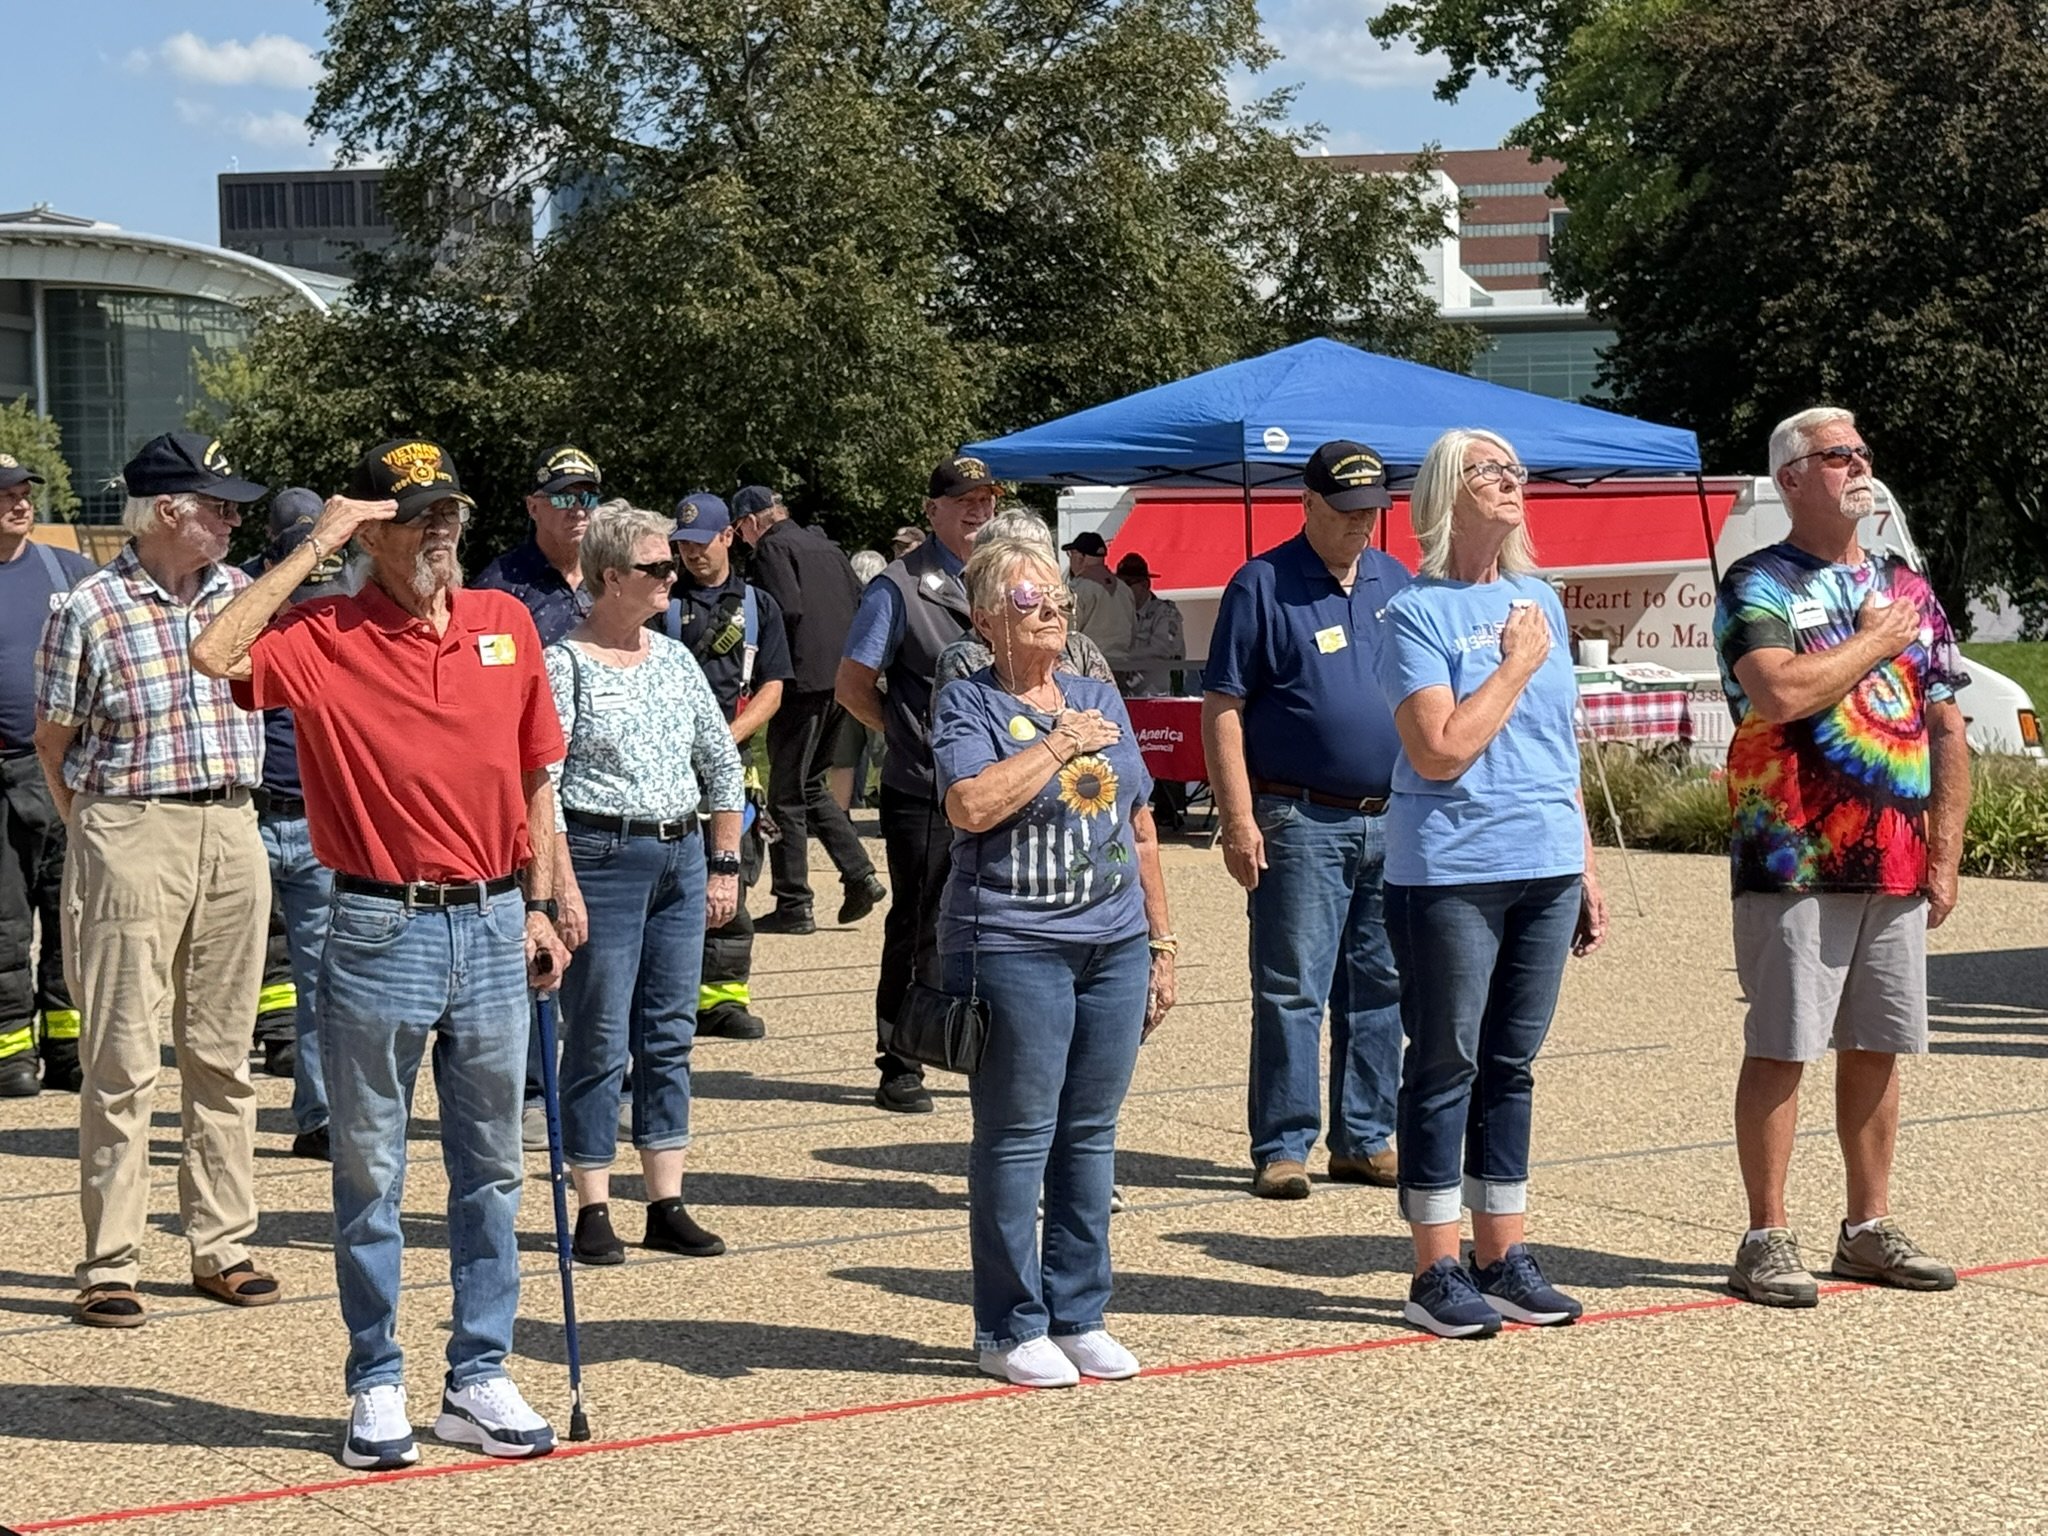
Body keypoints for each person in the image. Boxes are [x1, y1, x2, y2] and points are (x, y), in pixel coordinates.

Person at [192, 437, 573, 1469]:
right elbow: (216, 654)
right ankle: (376, 1380)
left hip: (493, 918)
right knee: (370, 1169)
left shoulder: (503, 625)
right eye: (415, 515)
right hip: (376, 923)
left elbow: (535, 775)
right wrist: (316, 543)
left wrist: (545, 903)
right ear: (372, 532)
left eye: (449, 511)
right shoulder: (324, 631)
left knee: (492, 1167)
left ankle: (478, 1373)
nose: (441, 528)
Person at [1715, 406, 1967, 1308]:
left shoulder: (1906, 584)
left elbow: (1945, 722)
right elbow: (1778, 692)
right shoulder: (1759, 581)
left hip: (1894, 856)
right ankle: (1765, 1236)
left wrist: (1945, 850)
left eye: (1861, 451)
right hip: (1793, 853)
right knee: (1784, 1045)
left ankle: (1867, 1227)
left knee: (1878, 1044)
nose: (1858, 465)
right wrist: (1876, 641)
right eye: (1836, 455)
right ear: (1791, 478)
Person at [34, 431, 276, 1328]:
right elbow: (52, 742)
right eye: (218, 505)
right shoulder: (88, 607)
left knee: (223, 1052)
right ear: (168, 510)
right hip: (131, 824)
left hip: (232, 823)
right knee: (123, 1058)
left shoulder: (242, 594)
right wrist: (101, 833)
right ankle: (112, 1261)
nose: (233, 520)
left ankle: (223, 1245)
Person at [1376, 427, 1608, 1339]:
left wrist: (1584, 864)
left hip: (1545, 860)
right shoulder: (1414, 613)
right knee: (1447, 1062)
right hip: (1451, 867)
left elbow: (1560, 750)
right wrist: (1514, 665)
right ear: (1447, 492)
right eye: (1491, 472)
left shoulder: (1538, 599)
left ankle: (1501, 1255)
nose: (1513, 482)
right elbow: (1439, 750)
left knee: (1511, 1064)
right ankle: (1433, 1268)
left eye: (1517, 470)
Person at [931, 535, 1176, 1387]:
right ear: (984, 618)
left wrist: (1162, 943)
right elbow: (969, 805)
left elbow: (1140, 823)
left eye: (1059, 601)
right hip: (1013, 942)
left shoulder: (1096, 693)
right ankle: (1008, 1325)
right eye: (1030, 601)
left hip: (1114, 943)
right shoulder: (968, 702)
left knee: (1091, 1132)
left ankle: (1080, 1313)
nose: (1052, 613)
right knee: (1017, 1133)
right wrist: (1058, 746)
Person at [1200, 440, 1409, 1202]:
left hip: (1391, 817)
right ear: (1309, 504)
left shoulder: (1396, 580)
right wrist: (1237, 816)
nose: (1362, 525)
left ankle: (1365, 1137)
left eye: (1372, 511)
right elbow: (1223, 706)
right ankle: (1283, 1146)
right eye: (1347, 511)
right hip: (1298, 816)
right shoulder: (1262, 584)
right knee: (1292, 988)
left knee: (1381, 985)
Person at [547, 505, 746, 1264]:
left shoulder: (675, 659)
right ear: (610, 577)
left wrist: (723, 862)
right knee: (598, 1033)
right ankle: (593, 1203)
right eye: (656, 568)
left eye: (670, 566)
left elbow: (721, 763)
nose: (670, 578)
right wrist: (561, 887)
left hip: (679, 858)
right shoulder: (565, 664)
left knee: (669, 1032)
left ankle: (667, 1200)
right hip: (602, 854)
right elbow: (544, 786)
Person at [836, 455, 998, 1114]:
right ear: (932, 511)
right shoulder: (898, 587)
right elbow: (852, 685)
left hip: (999, 784)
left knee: (994, 919)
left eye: (987, 500)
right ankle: (899, 1058)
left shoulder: (1004, 577)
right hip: (926, 788)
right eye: (964, 501)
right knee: (920, 923)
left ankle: (971, 1041)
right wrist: (907, 736)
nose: (978, 510)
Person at [473, 443, 601, 1147]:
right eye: (564, 496)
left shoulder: (613, 573)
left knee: (601, 954)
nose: (578, 509)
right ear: (532, 506)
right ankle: (528, 1090)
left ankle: (599, 1089)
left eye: (588, 496)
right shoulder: (501, 589)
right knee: (537, 938)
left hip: (604, 789)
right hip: (532, 788)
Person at [241, 489, 348, 1161]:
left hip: (316, 825)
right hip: (244, 815)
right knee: (222, 979)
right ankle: (218, 1125)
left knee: (322, 980)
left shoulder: (344, 608)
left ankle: (319, 1117)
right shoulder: (239, 607)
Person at [664, 492, 792, 1040]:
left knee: (729, 884)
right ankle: (669, 995)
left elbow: (774, 687)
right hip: (669, 764)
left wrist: (725, 740)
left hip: (734, 767)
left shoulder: (760, 607)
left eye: (702, 542)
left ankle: (721, 1000)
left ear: (729, 537)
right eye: (683, 544)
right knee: (670, 884)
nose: (692, 554)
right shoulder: (662, 602)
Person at [731, 485, 885, 932]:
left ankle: (793, 902)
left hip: (800, 681)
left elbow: (785, 609)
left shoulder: (771, 550)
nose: (742, 539)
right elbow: (858, 602)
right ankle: (860, 873)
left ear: (753, 521)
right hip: (840, 679)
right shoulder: (828, 548)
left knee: (785, 794)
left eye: (740, 530)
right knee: (812, 784)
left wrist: (760, 665)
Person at [0, 454, 90, 1098]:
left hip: (59, 768)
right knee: (4, 923)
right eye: (6, 494)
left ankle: (67, 1049)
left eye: (25, 491)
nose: (20, 502)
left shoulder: (71, 573)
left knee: (69, 916)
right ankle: (10, 1052)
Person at [933, 510, 1118, 696]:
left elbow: (1110, 709)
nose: (1050, 606)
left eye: (1055, 592)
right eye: (1028, 594)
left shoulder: (1079, 649)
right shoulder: (963, 658)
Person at [828, 550, 889, 812]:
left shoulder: (839, 603)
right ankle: (888, 817)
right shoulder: (886, 600)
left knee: (843, 759)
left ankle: (839, 818)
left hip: (846, 683)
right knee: (885, 757)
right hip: (880, 681)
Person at [1114, 553, 1185, 698]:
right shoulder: (1118, 614)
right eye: (1118, 584)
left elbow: (1162, 649)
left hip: (1157, 696)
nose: (1122, 590)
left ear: (1145, 585)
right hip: (1124, 695)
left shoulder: (1165, 613)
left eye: (1127, 584)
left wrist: (1124, 657)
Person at [1061, 531, 1136, 668]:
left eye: (1071, 554)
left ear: (1080, 557)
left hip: (1089, 667)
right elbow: (1133, 634)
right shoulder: (1124, 590)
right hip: (1122, 666)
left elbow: (1069, 632)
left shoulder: (1077, 589)